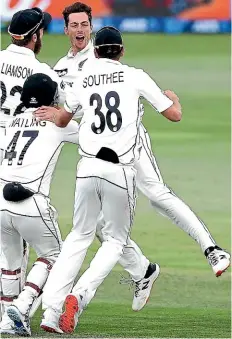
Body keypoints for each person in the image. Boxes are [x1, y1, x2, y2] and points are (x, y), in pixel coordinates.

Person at [37, 1, 230, 290]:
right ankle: (141, 271)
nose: (80, 30)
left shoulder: (102, 52)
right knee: (96, 223)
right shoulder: (61, 69)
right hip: (90, 141)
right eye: (75, 25)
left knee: (156, 193)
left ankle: (211, 249)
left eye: (85, 24)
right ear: (65, 29)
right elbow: (61, 110)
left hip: (129, 139)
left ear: (92, 28)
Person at [38, 26, 182, 334]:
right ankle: (80, 294)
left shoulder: (83, 78)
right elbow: (173, 115)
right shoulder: (135, 75)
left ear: (96, 50)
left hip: (86, 168)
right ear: (121, 50)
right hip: (119, 170)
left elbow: (63, 119)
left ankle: (50, 312)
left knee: (78, 236)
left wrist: (53, 113)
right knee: (115, 240)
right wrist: (174, 99)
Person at [0, 7, 66, 335]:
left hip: (5, 157)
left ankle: (7, 313)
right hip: (23, 164)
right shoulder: (44, 73)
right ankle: (17, 310)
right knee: (26, 241)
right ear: (36, 35)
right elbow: (64, 115)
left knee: (6, 242)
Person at [0, 73, 79, 336]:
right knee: (56, 256)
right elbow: (93, 138)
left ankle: (6, 320)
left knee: (10, 263)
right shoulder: (59, 124)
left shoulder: (11, 121)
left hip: (1, 199)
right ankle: (22, 306)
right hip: (30, 201)